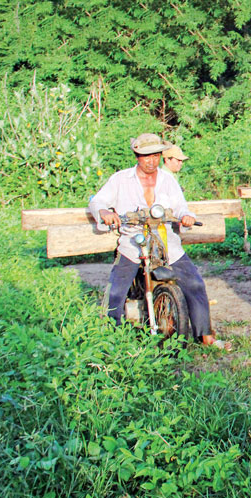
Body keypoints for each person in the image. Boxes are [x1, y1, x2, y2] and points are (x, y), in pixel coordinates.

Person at [89, 133, 228, 349]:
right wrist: (105, 211)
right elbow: (97, 201)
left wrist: (185, 215)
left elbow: (180, 206)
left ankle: (206, 335)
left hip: (165, 242)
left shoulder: (167, 180)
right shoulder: (120, 179)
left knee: (195, 284)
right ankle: (111, 339)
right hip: (133, 242)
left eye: (155, 156)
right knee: (116, 291)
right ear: (137, 156)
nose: (151, 161)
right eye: (146, 156)